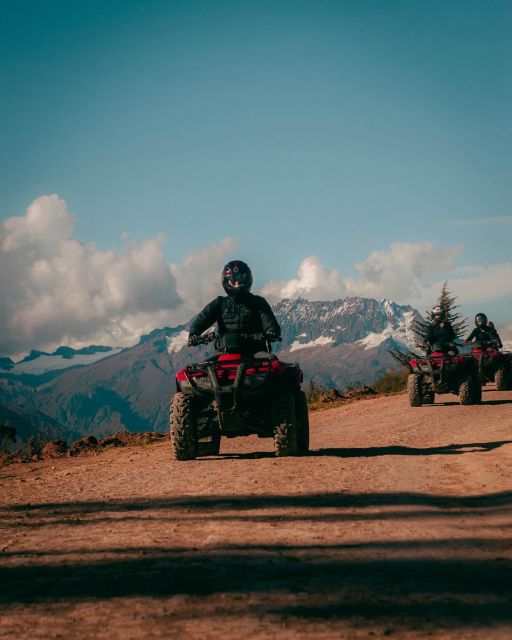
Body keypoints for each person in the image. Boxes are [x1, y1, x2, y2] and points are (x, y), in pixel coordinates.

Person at [188, 260, 281, 354]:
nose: (237, 284)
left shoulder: (258, 302)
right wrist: (194, 334)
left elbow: (270, 324)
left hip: (256, 353)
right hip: (227, 353)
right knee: (199, 368)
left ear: (247, 280)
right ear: (227, 281)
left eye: (241, 280)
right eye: (233, 281)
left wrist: (271, 332)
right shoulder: (219, 303)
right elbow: (202, 319)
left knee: (274, 365)